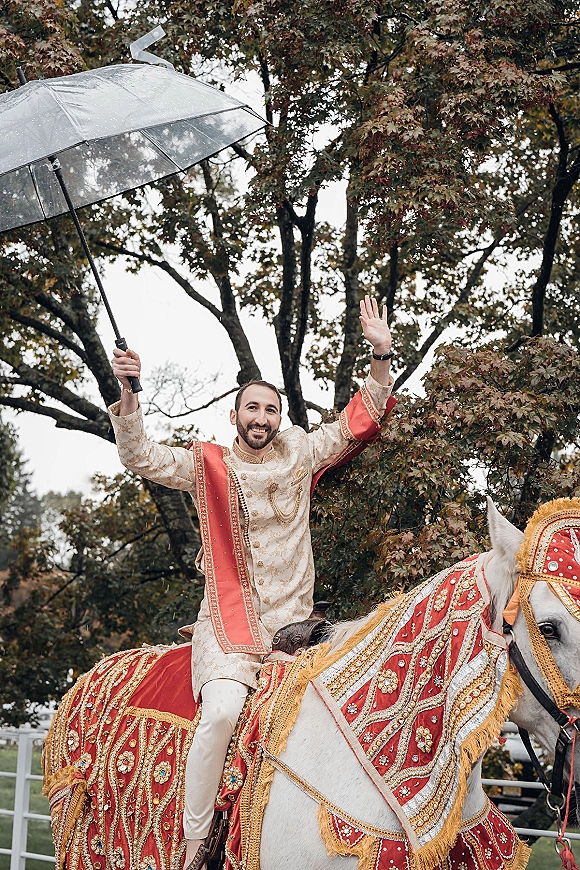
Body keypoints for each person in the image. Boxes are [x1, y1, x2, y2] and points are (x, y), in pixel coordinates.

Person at [108, 296, 396, 869]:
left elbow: (362, 417)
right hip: (230, 629)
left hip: (298, 630)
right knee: (219, 714)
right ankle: (193, 844)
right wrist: (131, 391)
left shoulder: (302, 454)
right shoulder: (207, 465)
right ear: (235, 416)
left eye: (270, 409)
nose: (260, 418)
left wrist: (381, 353)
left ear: (280, 416)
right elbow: (138, 454)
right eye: (251, 409)